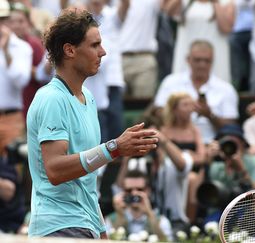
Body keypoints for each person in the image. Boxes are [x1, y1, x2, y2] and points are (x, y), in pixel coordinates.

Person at [26, 9, 159, 239]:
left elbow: (86, 183)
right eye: (94, 45)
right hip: (58, 227)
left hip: (86, 225)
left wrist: (101, 230)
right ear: (70, 50)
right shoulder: (51, 99)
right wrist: (114, 148)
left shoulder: (89, 97)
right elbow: (55, 170)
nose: (103, 52)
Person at [154, 40, 239, 144]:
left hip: (212, 144)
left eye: (207, 61)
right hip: (174, 143)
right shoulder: (170, 82)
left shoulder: (226, 89)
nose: (202, 65)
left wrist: (210, 115)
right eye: (197, 60)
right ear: (188, 60)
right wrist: (178, 113)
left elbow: (231, 128)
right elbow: (157, 114)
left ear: (213, 61)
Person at [0, 0, 32, 156]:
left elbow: (21, 81)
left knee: (13, 171)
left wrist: (6, 52)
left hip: (11, 118)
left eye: (3, 19)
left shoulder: (22, 47)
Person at [106, 170, 173, 241]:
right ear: (123, 191)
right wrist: (120, 216)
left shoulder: (162, 220)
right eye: (129, 190)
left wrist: (150, 214)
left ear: (148, 191)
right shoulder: (111, 219)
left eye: (140, 189)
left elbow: (166, 241)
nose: (134, 193)